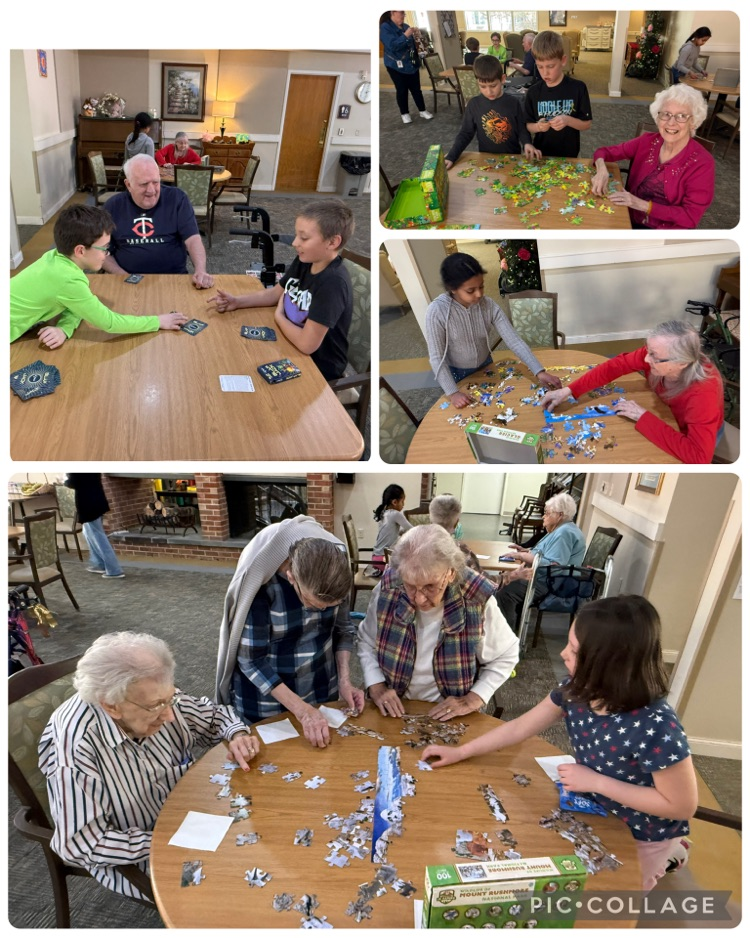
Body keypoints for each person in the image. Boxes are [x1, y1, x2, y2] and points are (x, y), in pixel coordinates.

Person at [422, 595, 698, 892]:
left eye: (575, 650)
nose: (563, 654)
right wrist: (462, 751)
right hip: (595, 808)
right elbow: (519, 728)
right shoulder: (575, 689)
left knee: (617, 894)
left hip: (645, 831)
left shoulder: (656, 724)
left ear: (608, 663)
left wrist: (597, 782)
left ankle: (669, 853)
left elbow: (681, 805)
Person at [39, 632, 259, 898]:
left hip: (189, 812)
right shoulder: (76, 751)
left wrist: (237, 735)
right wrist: (167, 837)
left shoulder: (155, 695)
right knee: (239, 892)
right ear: (112, 707)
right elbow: (79, 844)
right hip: (142, 849)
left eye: (170, 699)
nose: (168, 715)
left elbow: (214, 717)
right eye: (156, 706)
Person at [215, 516, 365, 748]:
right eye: (314, 604)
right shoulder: (261, 581)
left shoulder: (337, 569)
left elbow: (343, 630)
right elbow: (251, 660)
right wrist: (302, 712)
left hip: (319, 682)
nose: (322, 612)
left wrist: (345, 680)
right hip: (266, 697)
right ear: (291, 577)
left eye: (330, 607)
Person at [358, 524, 519, 721]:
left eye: (429, 587)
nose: (418, 599)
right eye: (410, 586)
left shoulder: (476, 599)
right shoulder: (388, 588)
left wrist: (474, 698)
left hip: (449, 714)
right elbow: (366, 641)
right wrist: (377, 686)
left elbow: (506, 654)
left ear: (451, 573)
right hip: (393, 708)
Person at [206, 200, 354, 381]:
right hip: (289, 342)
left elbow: (306, 345)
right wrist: (237, 301)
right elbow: (275, 294)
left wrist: (279, 316)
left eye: (304, 238)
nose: (294, 243)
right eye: (296, 235)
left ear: (332, 242)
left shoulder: (333, 283)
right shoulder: (305, 261)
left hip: (318, 369)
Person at [540, 320, 724, 464]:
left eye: (654, 356)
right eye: (648, 350)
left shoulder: (703, 393)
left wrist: (643, 417)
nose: (645, 358)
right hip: (665, 414)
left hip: (693, 434)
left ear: (682, 363)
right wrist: (569, 390)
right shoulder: (659, 355)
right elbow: (615, 366)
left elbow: (700, 457)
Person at [10, 204, 187, 348]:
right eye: (104, 248)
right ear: (80, 250)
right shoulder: (68, 280)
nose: (106, 255)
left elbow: (75, 305)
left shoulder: (55, 258)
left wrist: (64, 328)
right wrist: (158, 321)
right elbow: (110, 323)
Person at [426, 252, 563, 408]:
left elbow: (514, 341)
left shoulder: (488, 304)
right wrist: (453, 393)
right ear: (452, 288)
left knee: (492, 406)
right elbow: (436, 357)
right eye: (470, 290)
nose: (479, 294)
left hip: (486, 365)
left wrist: (539, 371)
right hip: (456, 373)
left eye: (481, 286)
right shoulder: (436, 311)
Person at [590, 84, 713, 229]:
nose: (671, 122)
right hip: (626, 217)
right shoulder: (647, 141)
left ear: (693, 123)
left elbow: (689, 217)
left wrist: (641, 204)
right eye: (666, 114)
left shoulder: (703, 163)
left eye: (681, 116)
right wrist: (601, 169)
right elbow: (603, 152)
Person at [102, 154, 214, 287]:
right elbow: (100, 251)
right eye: (143, 184)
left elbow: (193, 239)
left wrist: (201, 270)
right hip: (127, 280)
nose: (151, 190)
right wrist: (123, 276)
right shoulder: (113, 206)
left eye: (155, 182)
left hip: (173, 279)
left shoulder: (177, 199)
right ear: (128, 185)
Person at [495, 491, 585, 631]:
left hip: (553, 583)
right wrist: (525, 551)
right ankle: (510, 627)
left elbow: (553, 565)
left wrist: (522, 556)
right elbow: (545, 552)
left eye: (547, 513)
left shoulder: (564, 533)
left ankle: (505, 638)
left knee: (505, 589)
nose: (544, 516)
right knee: (507, 579)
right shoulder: (560, 529)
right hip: (545, 577)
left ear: (559, 515)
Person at [445, 55, 542, 168]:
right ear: (477, 82)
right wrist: (451, 156)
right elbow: (465, 133)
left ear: (503, 79)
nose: (489, 91)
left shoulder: (514, 103)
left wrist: (527, 143)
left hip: (512, 158)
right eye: (483, 86)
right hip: (486, 159)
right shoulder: (474, 104)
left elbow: (521, 128)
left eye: (493, 85)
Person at [524, 30, 592, 158]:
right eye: (540, 66)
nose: (545, 73)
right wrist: (538, 126)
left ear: (563, 60)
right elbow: (528, 125)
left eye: (550, 66)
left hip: (569, 155)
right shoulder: (533, 92)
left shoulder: (578, 88)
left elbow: (586, 123)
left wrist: (567, 120)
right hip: (541, 154)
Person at [65, 474, 125, 578]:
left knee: (98, 537)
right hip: (97, 500)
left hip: (88, 504)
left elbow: (74, 482)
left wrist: (65, 481)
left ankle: (114, 570)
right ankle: (99, 564)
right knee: (89, 533)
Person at [380, 10, 433, 124]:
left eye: (404, 14)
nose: (404, 16)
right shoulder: (385, 27)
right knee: (402, 89)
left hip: (411, 63)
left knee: (416, 89)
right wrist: (406, 35)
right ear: (392, 13)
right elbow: (392, 46)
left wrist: (420, 44)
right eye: (401, 13)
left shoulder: (406, 26)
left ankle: (422, 110)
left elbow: (412, 44)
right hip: (395, 65)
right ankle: (404, 113)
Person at [371, 484, 413, 572]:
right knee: (410, 568)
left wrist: (401, 532)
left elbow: (390, 532)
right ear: (394, 502)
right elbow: (413, 530)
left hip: (376, 558)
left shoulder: (384, 513)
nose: (403, 504)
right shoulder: (395, 514)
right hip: (384, 559)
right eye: (402, 501)